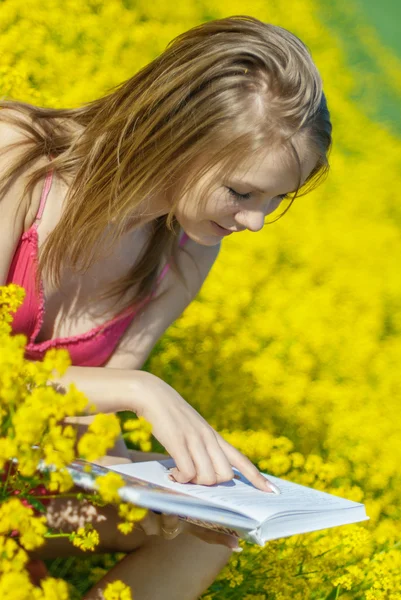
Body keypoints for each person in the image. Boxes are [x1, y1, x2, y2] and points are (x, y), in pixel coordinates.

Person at [0, 14, 332, 600]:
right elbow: (108, 389)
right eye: (242, 191)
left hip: (16, 489)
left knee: (208, 529)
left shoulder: (186, 248)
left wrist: (164, 489)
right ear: (177, 133)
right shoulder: (17, 160)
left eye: (276, 199)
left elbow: (82, 427)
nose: (254, 222)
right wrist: (140, 391)